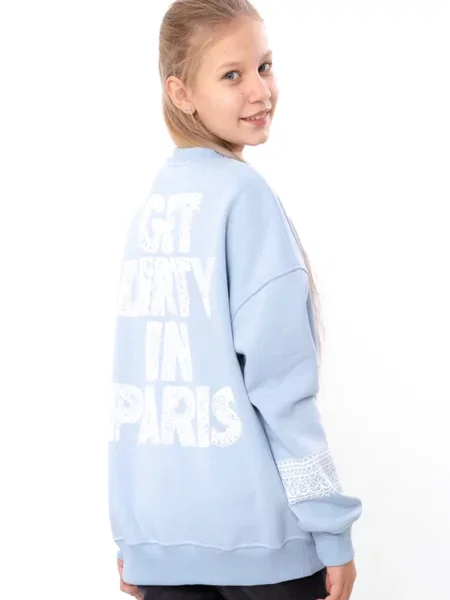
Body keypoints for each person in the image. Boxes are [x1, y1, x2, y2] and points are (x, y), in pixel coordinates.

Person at [108, 1, 363, 599]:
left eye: (265, 66)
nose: (260, 91)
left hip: (164, 547)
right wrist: (332, 531)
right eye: (232, 74)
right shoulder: (244, 199)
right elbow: (281, 389)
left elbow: (137, 398)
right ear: (181, 92)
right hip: (263, 555)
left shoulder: (152, 210)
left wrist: (136, 543)